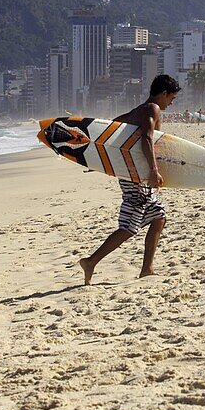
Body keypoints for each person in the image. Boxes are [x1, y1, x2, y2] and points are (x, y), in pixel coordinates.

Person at [79, 74, 180, 285]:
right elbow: (146, 138)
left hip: (136, 174)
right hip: (136, 176)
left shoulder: (138, 110)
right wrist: (153, 170)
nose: (172, 102)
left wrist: (103, 160)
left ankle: (147, 269)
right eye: (171, 98)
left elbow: (113, 125)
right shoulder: (153, 109)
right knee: (129, 227)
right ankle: (91, 261)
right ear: (163, 93)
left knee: (158, 217)